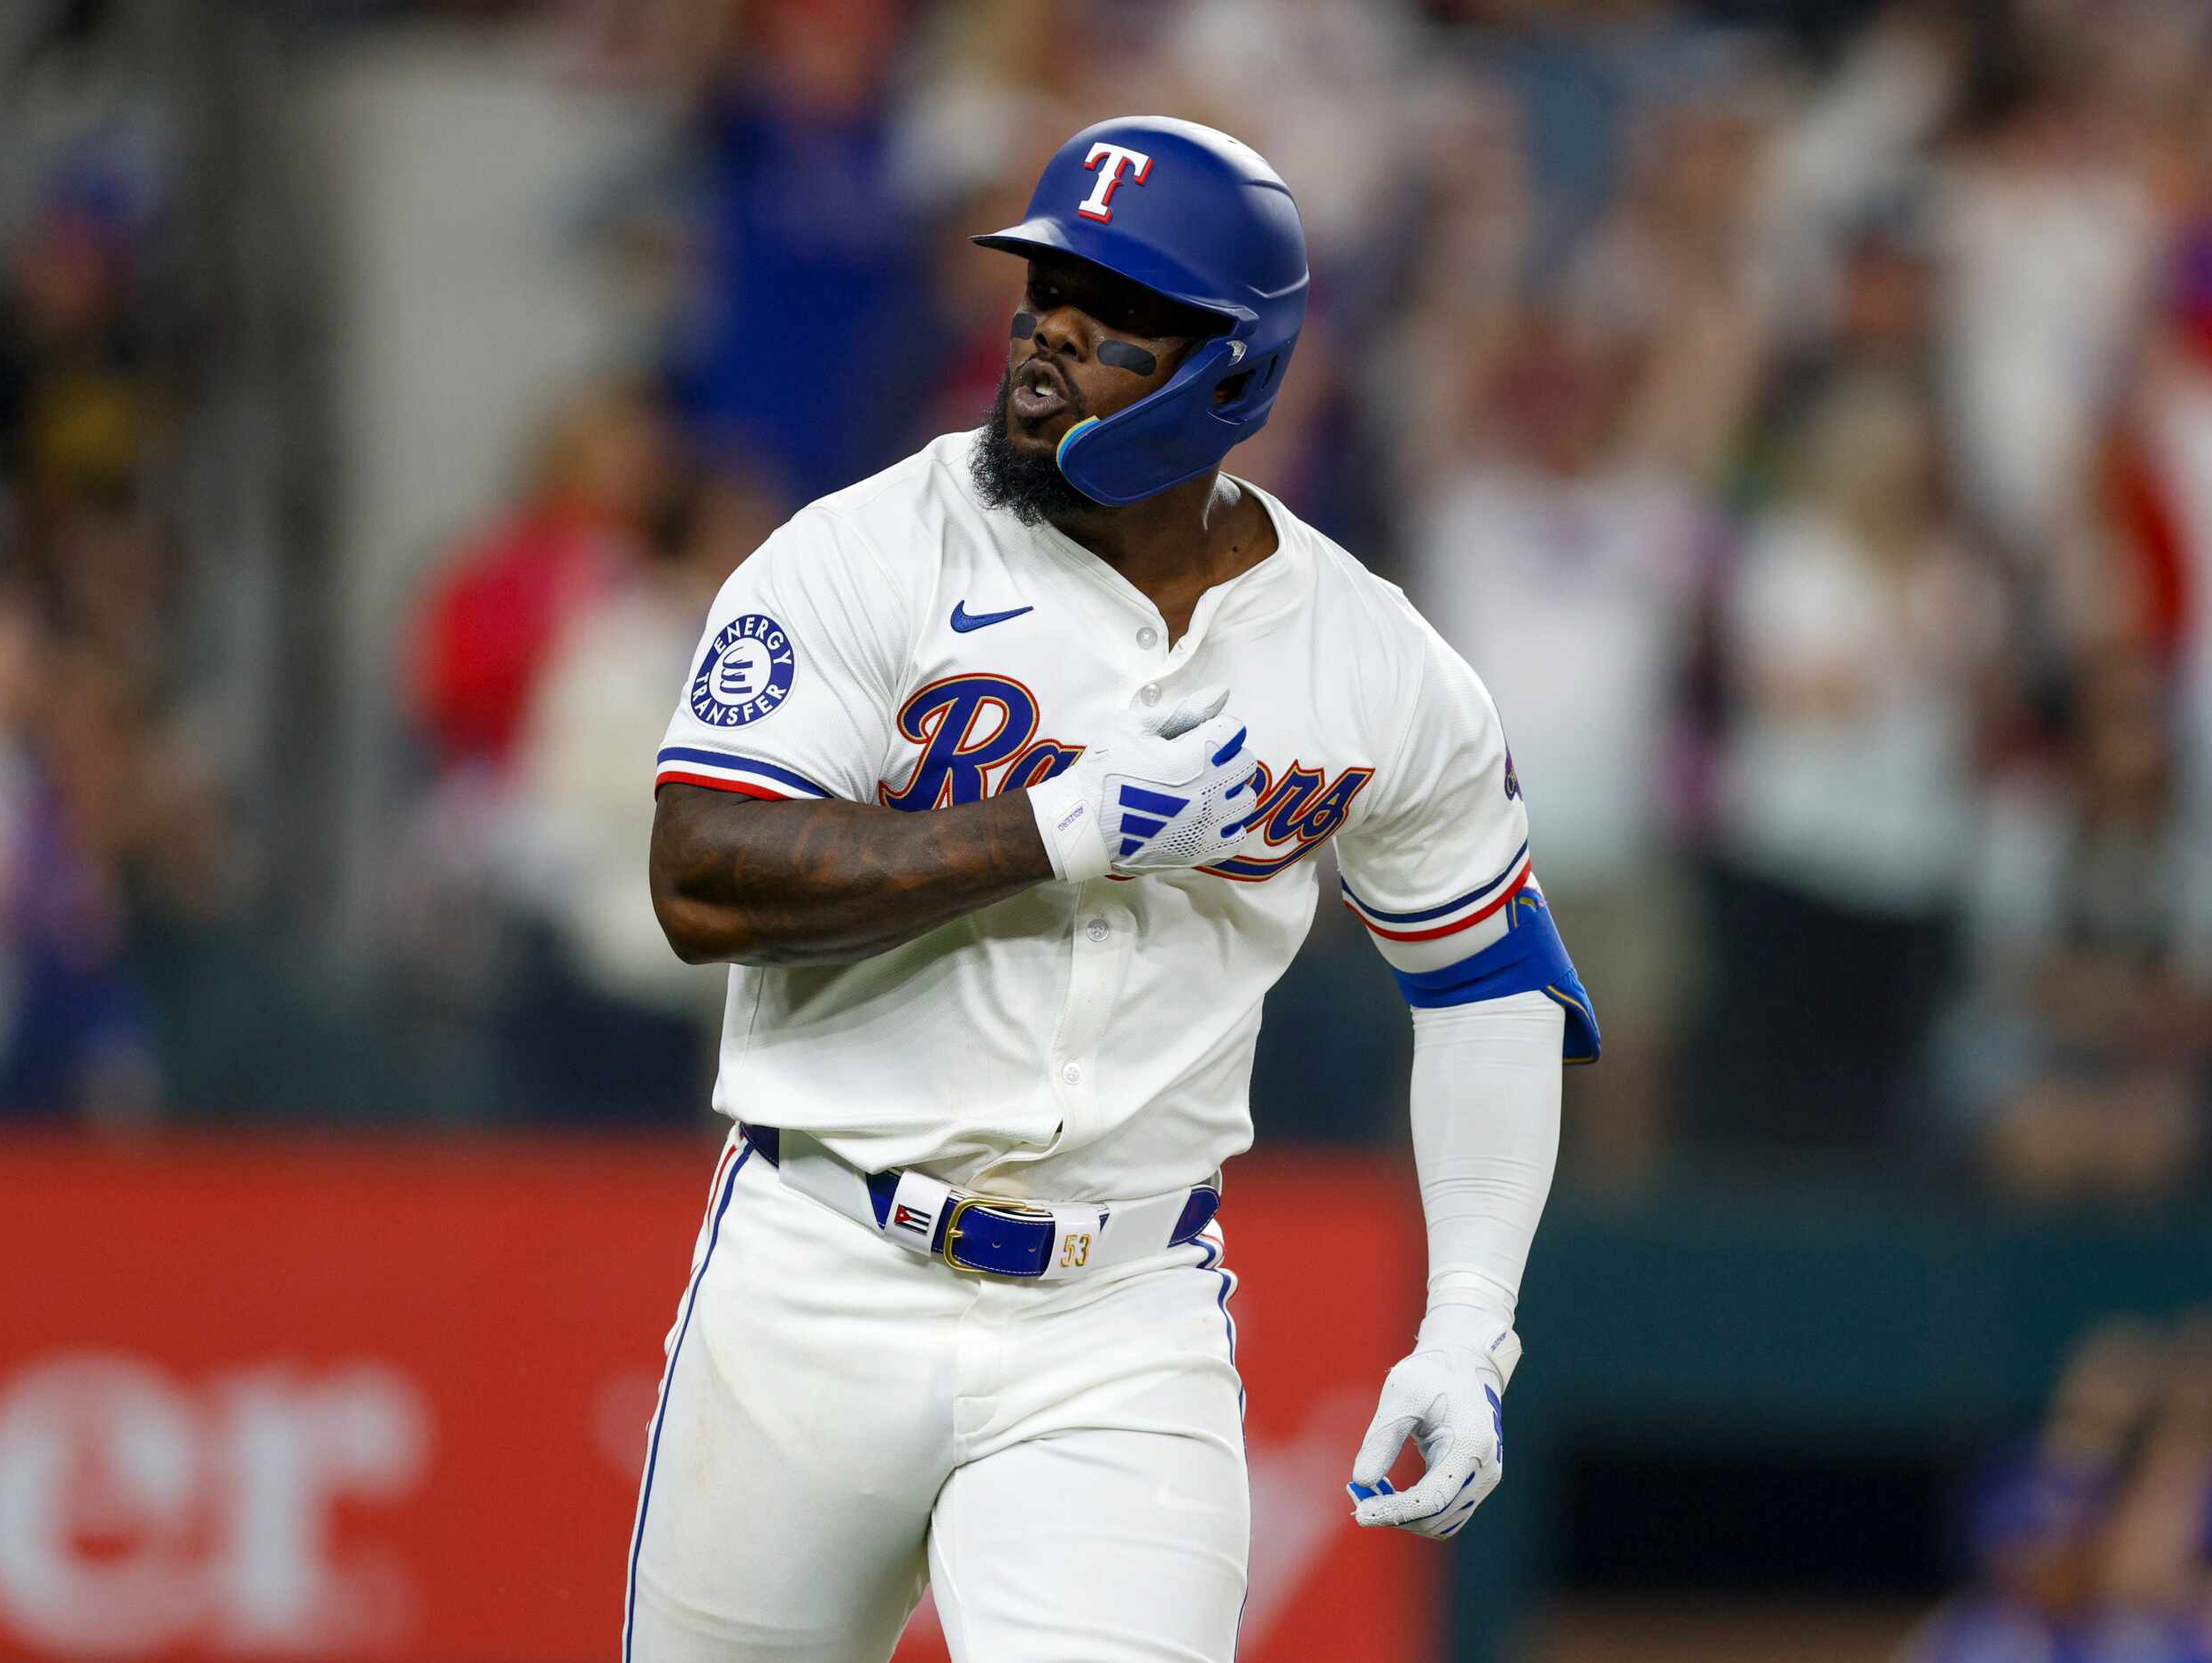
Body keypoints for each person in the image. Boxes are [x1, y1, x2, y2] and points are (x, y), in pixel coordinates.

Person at [628, 117, 1598, 1659]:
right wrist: (1052, 826)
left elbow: (1486, 985)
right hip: (817, 1266)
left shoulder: (1369, 657)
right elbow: (703, 878)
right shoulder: (861, 554)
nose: (1049, 336)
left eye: (1111, 314)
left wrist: (1472, 1322)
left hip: (1119, 1314)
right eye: (1041, 293)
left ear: (1232, 365)